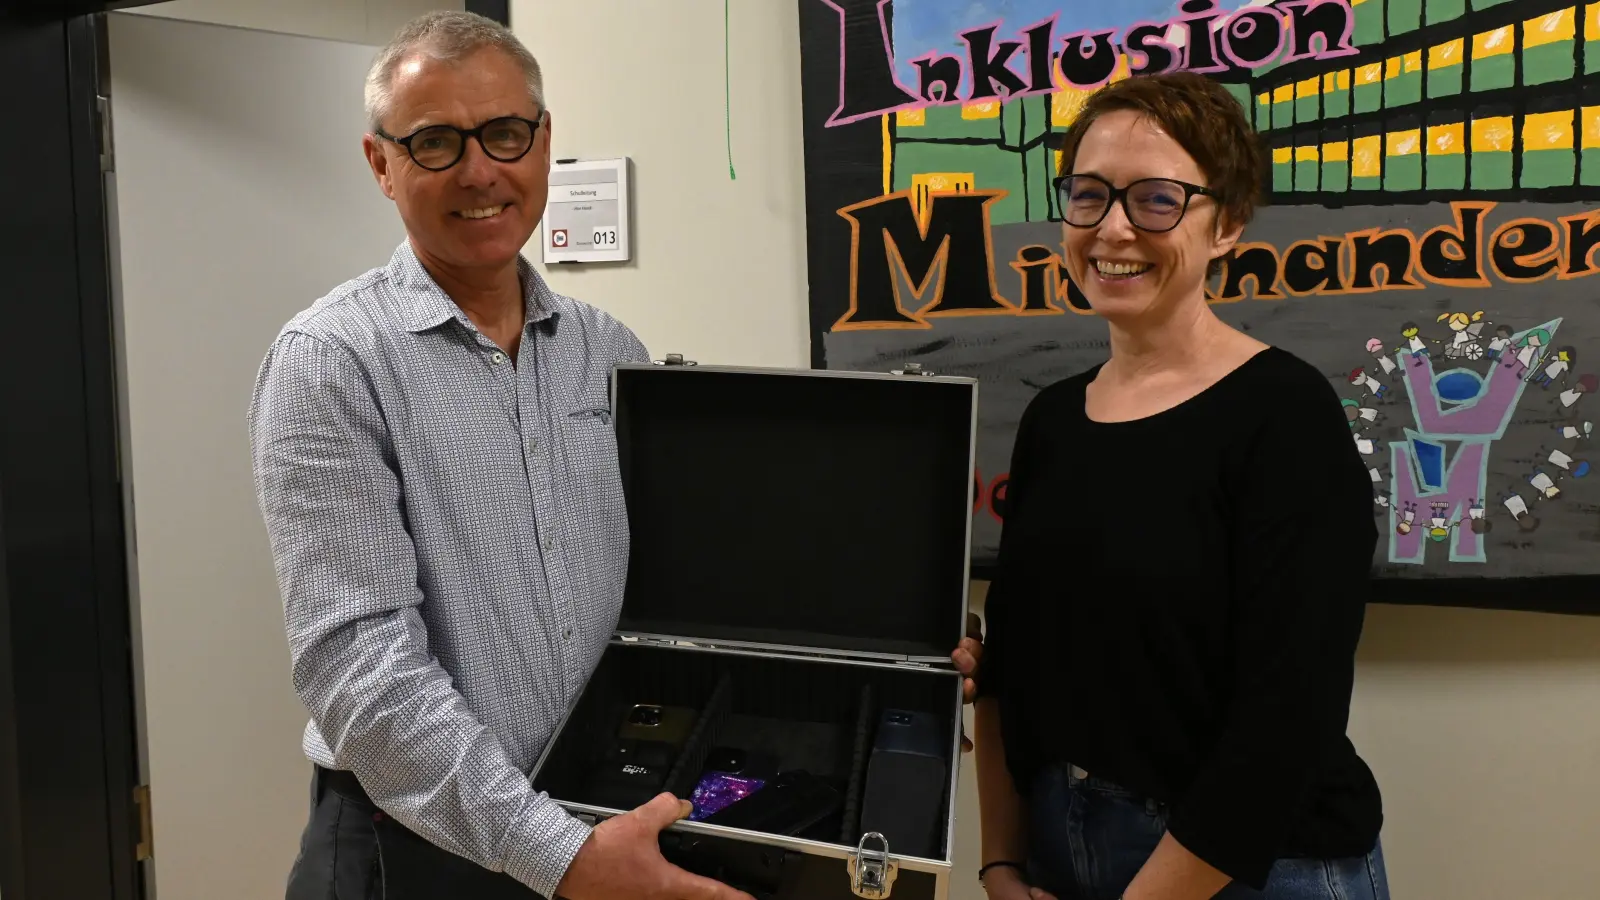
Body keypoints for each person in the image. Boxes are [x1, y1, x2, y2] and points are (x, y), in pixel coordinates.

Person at [248, 11, 985, 899]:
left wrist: (892, 646)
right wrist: (558, 856)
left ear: (544, 142)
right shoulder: (332, 361)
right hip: (413, 845)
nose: (480, 171)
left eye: (505, 134)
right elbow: (358, 668)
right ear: (381, 164)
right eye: (435, 143)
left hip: (595, 813)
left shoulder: (608, 351)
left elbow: (684, 578)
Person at [971, 72, 1389, 900]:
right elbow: (1009, 669)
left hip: (1253, 869)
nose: (1113, 228)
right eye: (1087, 195)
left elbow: (1286, 722)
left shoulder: (1286, 417)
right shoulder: (1053, 421)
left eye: (1157, 199)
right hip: (1066, 846)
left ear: (1227, 223)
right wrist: (1002, 862)